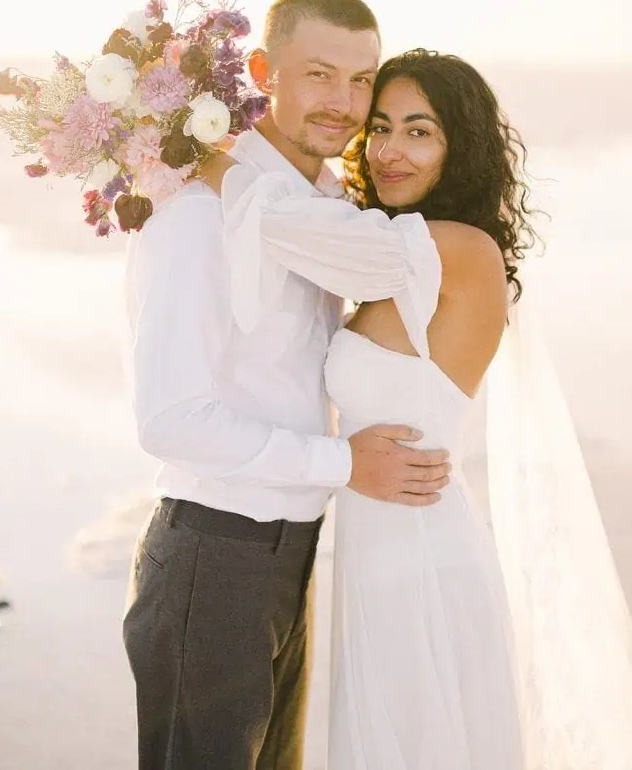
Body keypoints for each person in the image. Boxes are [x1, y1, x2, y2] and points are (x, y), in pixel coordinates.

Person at [122, 0, 452, 770]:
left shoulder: (324, 207)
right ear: (265, 71)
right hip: (212, 556)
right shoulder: (197, 216)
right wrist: (344, 464)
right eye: (319, 75)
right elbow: (169, 418)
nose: (343, 104)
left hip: (285, 557)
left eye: (361, 80)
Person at [201, 48, 535, 767]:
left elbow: (285, 227)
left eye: (420, 131)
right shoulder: (401, 256)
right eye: (379, 127)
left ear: (461, 147)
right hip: (378, 549)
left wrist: (195, 154)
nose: (387, 151)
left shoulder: (456, 250)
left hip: (421, 555)